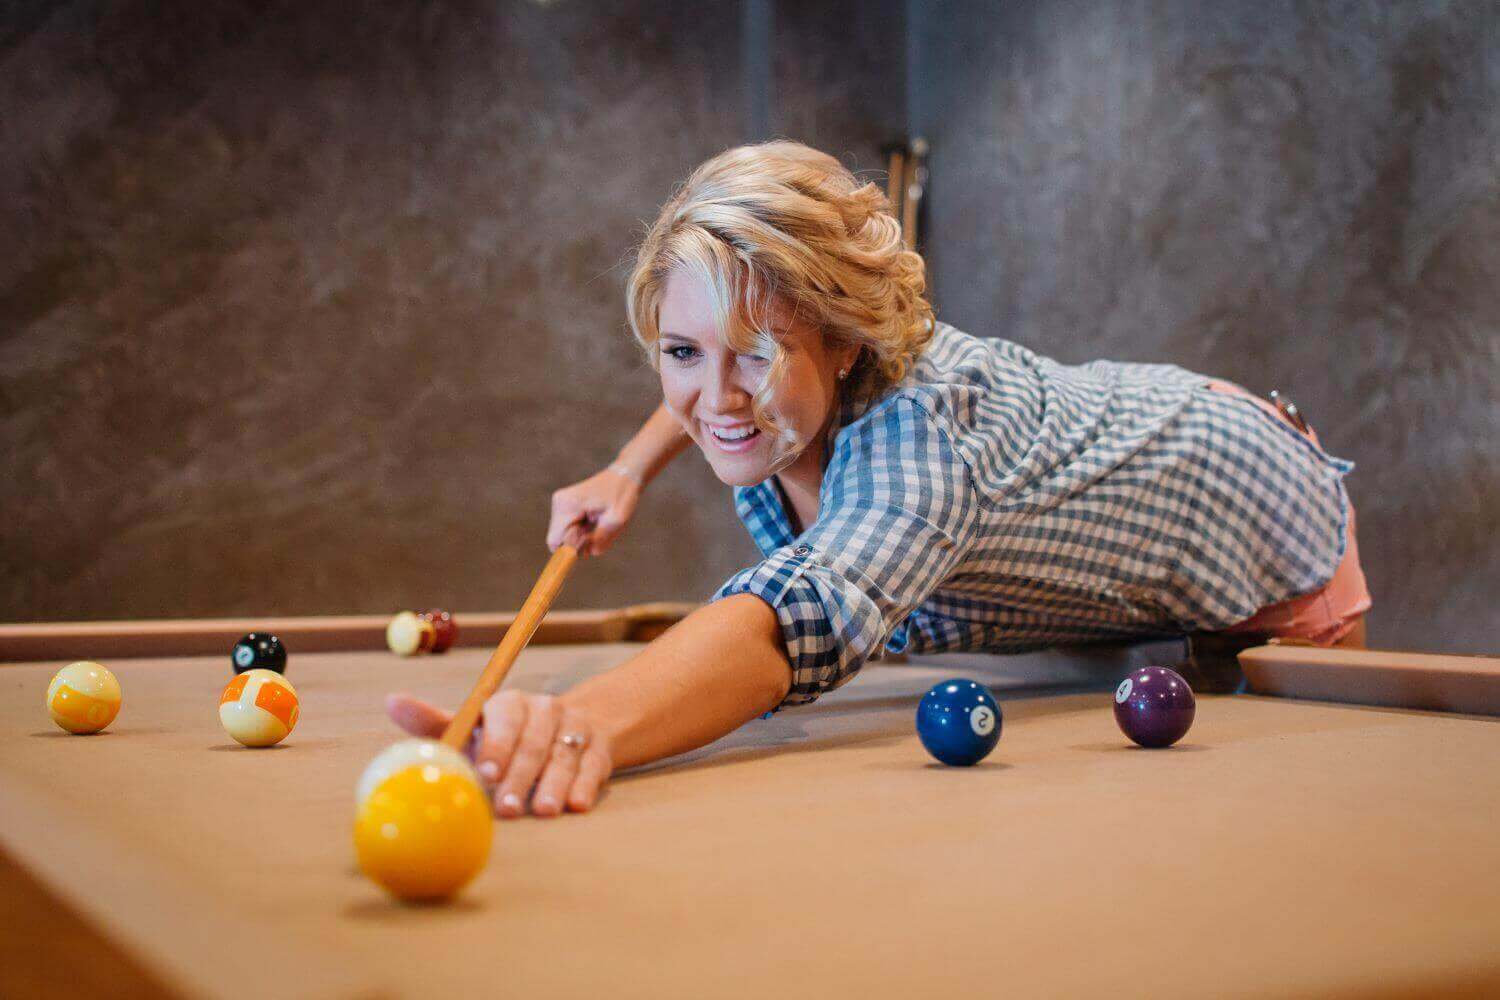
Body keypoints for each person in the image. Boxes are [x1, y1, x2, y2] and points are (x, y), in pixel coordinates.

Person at [385, 140, 1371, 818]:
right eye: (680, 349)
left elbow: (804, 608)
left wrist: (581, 721)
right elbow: (720, 380)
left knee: (1306, 804)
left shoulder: (923, 436)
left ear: (845, 342)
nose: (717, 395)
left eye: (760, 354)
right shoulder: (762, 386)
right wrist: (631, 464)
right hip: (1148, 526)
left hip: (1256, 499)